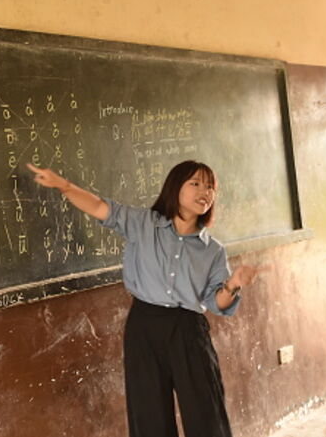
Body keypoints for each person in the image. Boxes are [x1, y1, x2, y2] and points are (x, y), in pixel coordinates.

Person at [26, 160, 258, 437]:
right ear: (175, 188)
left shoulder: (214, 251)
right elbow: (100, 208)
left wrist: (232, 285)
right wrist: (64, 186)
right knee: (149, 415)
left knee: (205, 411)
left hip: (188, 330)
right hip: (145, 325)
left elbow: (215, 303)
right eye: (195, 184)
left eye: (210, 187)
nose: (204, 192)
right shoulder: (142, 223)